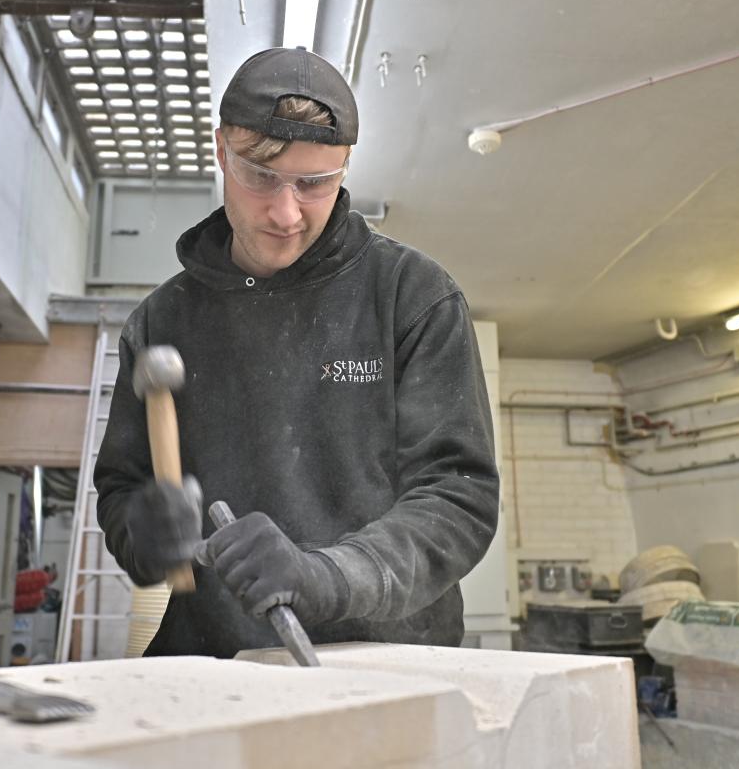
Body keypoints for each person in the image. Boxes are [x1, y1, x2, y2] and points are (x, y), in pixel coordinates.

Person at [93, 47, 499, 657]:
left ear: (345, 166)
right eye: (260, 176)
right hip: (214, 661)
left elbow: (456, 498)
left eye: (315, 184)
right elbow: (123, 488)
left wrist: (326, 575)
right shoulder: (162, 321)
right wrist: (141, 532)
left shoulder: (412, 298)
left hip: (385, 659)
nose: (286, 213)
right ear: (221, 149)